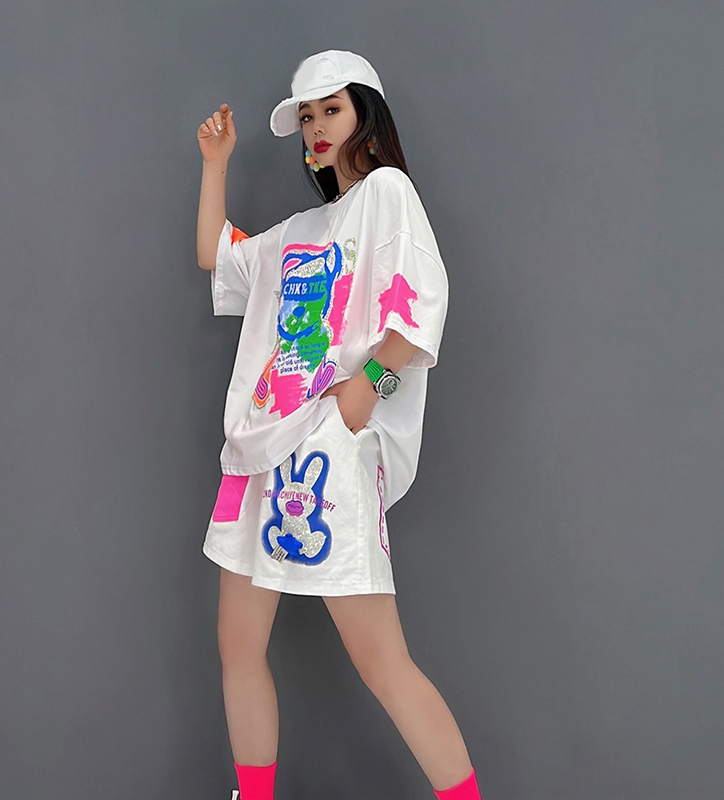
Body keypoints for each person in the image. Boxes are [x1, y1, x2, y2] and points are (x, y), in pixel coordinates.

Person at [196, 50, 483, 800]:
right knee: (236, 645)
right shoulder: (299, 229)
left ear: (366, 116)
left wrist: (369, 386)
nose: (317, 127)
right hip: (257, 452)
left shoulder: (387, 192)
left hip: (325, 448)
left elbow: (422, 302)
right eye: (307, 116)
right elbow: (216, 258)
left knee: (381, 661)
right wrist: (216, 164)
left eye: (332, 110)